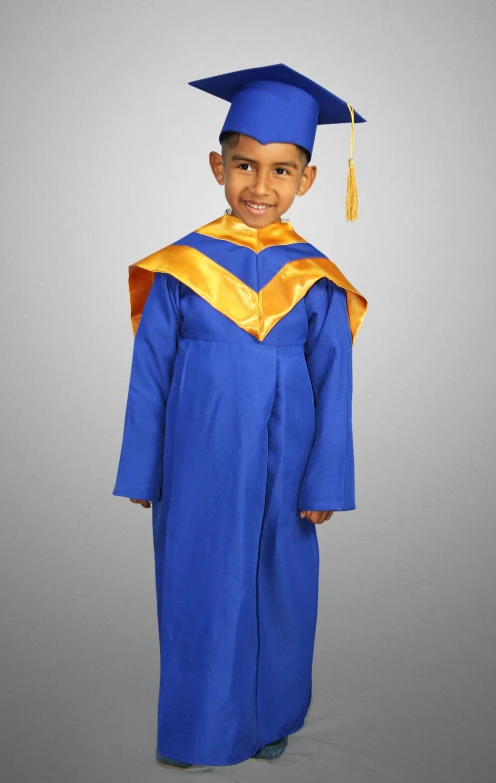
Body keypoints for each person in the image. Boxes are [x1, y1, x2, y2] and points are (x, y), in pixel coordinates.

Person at [113, 63, 368, 769]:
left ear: (307, 180)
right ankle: (197, 728)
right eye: (245, 165)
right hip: (199, 454)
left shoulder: (315, 276)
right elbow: (150, 373)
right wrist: (145, 465)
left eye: (282, 171)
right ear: (216, 166)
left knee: (280, 586)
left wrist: (325, 482)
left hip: (288, 456)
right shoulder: (180, 268)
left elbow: (334, 380)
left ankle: (272, 716)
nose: (261, 187)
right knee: (197, 584)